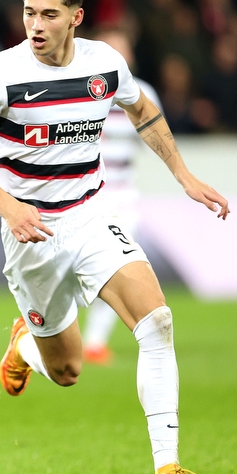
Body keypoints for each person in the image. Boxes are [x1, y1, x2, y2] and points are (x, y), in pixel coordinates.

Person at [0, 0, 229, 474]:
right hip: (31, 236)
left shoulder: (105, 64)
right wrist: (10, 208)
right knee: (69, 370)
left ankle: (166, 470)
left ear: (75, 17)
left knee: (158, 322)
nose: (36, 24)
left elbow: (143, 110)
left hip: (92, 215)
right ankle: (26, 347)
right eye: (29, 12)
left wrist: (184, 176)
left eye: (49, 14)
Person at [81, 29, 162, 365]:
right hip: (82, 195)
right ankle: (49, 333)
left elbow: (155, 135)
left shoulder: (142, 91)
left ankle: (94, 342)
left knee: (116, 269)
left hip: (124, 195)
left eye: (122, 48)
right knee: (76, 272)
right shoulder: (80, 89)